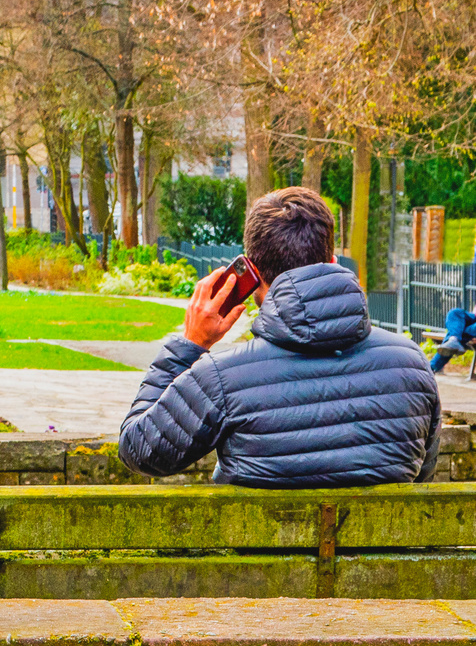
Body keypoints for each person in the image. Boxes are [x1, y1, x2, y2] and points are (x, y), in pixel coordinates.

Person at [119, 186, 441, 488]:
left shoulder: (220, 377)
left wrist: (189, 345)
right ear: (331, 262)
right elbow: (422, 473)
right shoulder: (411, 364)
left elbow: (139, 450)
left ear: (252, 272)